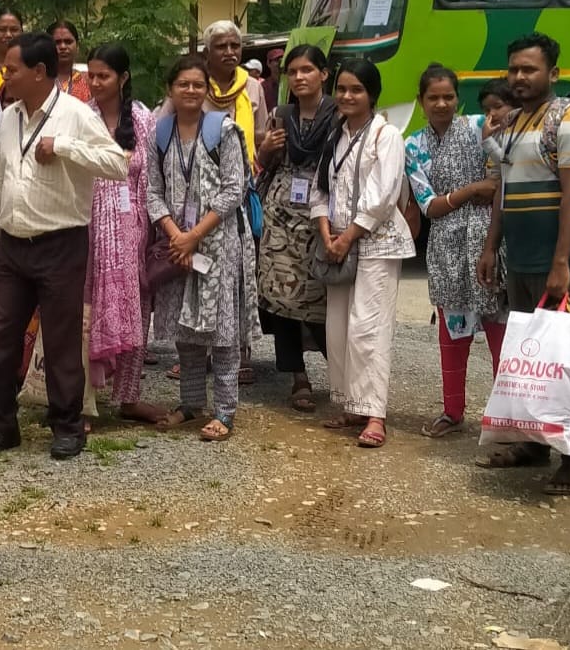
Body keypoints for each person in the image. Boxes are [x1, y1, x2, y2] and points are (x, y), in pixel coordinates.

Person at [0, 32, 128, 457]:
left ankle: (67, 426)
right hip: (12, 245)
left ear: (39, 71)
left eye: (12, 70)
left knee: (62, 340)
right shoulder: (8, 116)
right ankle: (1, 425)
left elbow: (116, 163)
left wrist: (63, 146)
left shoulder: (76, 114)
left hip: (61, 244)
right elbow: (0, 178)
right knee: (0, 335)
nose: (5, 76)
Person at [476, 33, 570, 494]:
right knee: (530, 358)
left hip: (560, 264)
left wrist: (562, 261)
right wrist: (491, 247)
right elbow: (503, 193)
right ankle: (533, 444)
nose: (519, 77)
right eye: (514, 70)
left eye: (529, 69)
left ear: (553, 73)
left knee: (567, 361)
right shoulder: (512, 123)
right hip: (521, 263)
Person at [311, 58, 415, 449]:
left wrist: (348, 236)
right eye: (341, 89)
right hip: (338, 242)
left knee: (368, 327)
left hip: (376, 243)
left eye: (356, 89)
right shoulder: (334, 135)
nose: (347, 96)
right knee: (338, 328)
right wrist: (327, 233)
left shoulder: (386, 136)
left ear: (372, 94)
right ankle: (351, 404)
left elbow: (383, 196)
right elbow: (320, 188)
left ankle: (374, 414)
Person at [147, 55, 252, 442]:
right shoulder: (160, 134)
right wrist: (177, 235)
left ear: (207, 90)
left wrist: (194, 235)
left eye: (198, 85)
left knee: (221, 331)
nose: (190, 91)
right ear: (170, 89)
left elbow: (234, 189)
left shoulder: (223, 131)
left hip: (218, 243)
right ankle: (190, 402)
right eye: (183, 84)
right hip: (177, 244)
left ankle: (224, 410)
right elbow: (152, 191)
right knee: (184, 328)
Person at [405, 67, 509, 439]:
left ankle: (505, 416)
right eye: (433, 97)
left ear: (458, 98)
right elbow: (429, 206)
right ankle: (452, 411)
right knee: (453, 332)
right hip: (446, 249)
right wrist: (473, 189)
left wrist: (474, 192)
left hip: (489, 242)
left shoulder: (480, 126)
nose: (441, 104)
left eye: (448, 96)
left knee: (499, 328)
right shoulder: (413, 146)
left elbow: (501, 180)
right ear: (421, 101)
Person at [254, 44, 337, 413]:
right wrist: (267, 147)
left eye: (307, 70)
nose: (300, 77)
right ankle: (297, 376)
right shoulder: (281, 114)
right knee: (281, 298)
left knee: (323, 297)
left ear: (323, 74)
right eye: (293, 71)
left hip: (322, 214)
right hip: (281, 217)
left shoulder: (337, 115)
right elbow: (262, 164)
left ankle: (343, 374)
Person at [85, 43, 163, 424]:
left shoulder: (144, 119)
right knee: (87, 309)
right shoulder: (81, 116)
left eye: (104, 76)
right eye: (91, 75)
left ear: (123, 78)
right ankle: (83, 400)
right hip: (88, 227)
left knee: (136, 308)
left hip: (133, 227)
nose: (96, 82)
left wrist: (147, 230)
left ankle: (129, 397)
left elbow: (152, 178)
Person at [201, 20, 268, 162]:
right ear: (207, 53)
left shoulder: (253, 86)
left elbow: (260, 134)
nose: (230, 52)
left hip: (244, 170)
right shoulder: (195, 85)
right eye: (221, 46)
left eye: (235, 46)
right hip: (201, 169)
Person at [47, 21, 89, 102]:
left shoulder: (89, 81)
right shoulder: (39, 81)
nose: (63, 46)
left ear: (77, 47)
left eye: (68, 42)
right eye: (57, 42)